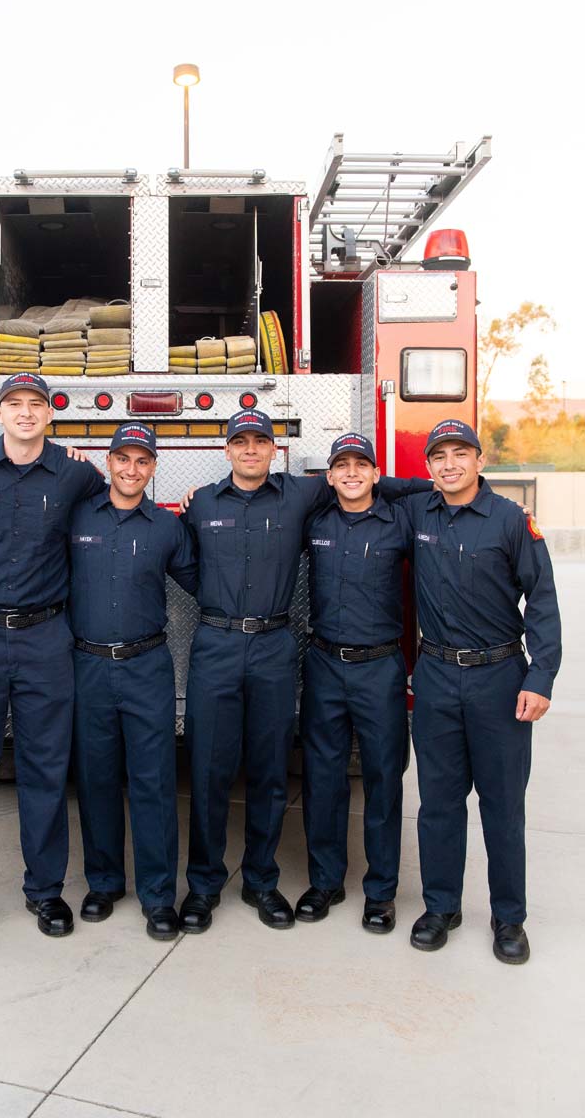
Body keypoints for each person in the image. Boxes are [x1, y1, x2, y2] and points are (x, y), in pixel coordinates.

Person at [178, 409, 432, 935]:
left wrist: (447, 484)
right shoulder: (200, 503)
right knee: (208, 772)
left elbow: (380, 484)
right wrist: (212, 597)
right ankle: (203, 886)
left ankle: (260, 880)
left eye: (261, 442)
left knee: (271, 771)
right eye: (241, 442)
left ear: (276, 451)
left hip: (275, 645)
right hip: (217, 644)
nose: (251, 450)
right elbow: (178, 555)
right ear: (227, 450)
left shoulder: (301, 495)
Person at [0, 372, 105, 946]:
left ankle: (46, 890)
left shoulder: (76, 473)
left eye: (37, 404)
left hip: (45, 637)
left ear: (51, 414)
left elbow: (115, 507)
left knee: (45, 766)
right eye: (15, 404)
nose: (26, 412)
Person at [401, 419, 562, 965]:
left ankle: (509, 917)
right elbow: (373, 485)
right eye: (439, 456)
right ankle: (441, 907)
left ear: (480, 460)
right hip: (436, 676)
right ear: (428, 466)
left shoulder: (512, 521)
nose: (450, 464)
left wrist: (540, 677)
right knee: (438, 803)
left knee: (502, 806)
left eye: (460, 454)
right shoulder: (418, 511)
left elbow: (542, 601)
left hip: (499, 680)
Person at [69, 422, 199, 940]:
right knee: (96, 779)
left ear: (153, 468)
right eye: (122, 459)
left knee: (153, 783)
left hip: (147, 666)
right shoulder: (77, 516)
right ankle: (104, 883)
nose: (131, 469)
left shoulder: (167, 527)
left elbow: (206, 582)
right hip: (87, 665)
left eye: (142, 461)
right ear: (108, 462)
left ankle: (158, 896)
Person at [297, 433, 412, 933]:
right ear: (329, 476)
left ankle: (381, 892)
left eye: (361, 465)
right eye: (341, 466)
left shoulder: (400, 520)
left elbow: (437, 489)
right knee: (323, 779)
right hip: (324, 663)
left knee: (384, 781)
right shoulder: (315, 522)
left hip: (380, 667)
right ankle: (325, 882)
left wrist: (392, 483)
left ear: (375, 473)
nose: (350, 473)